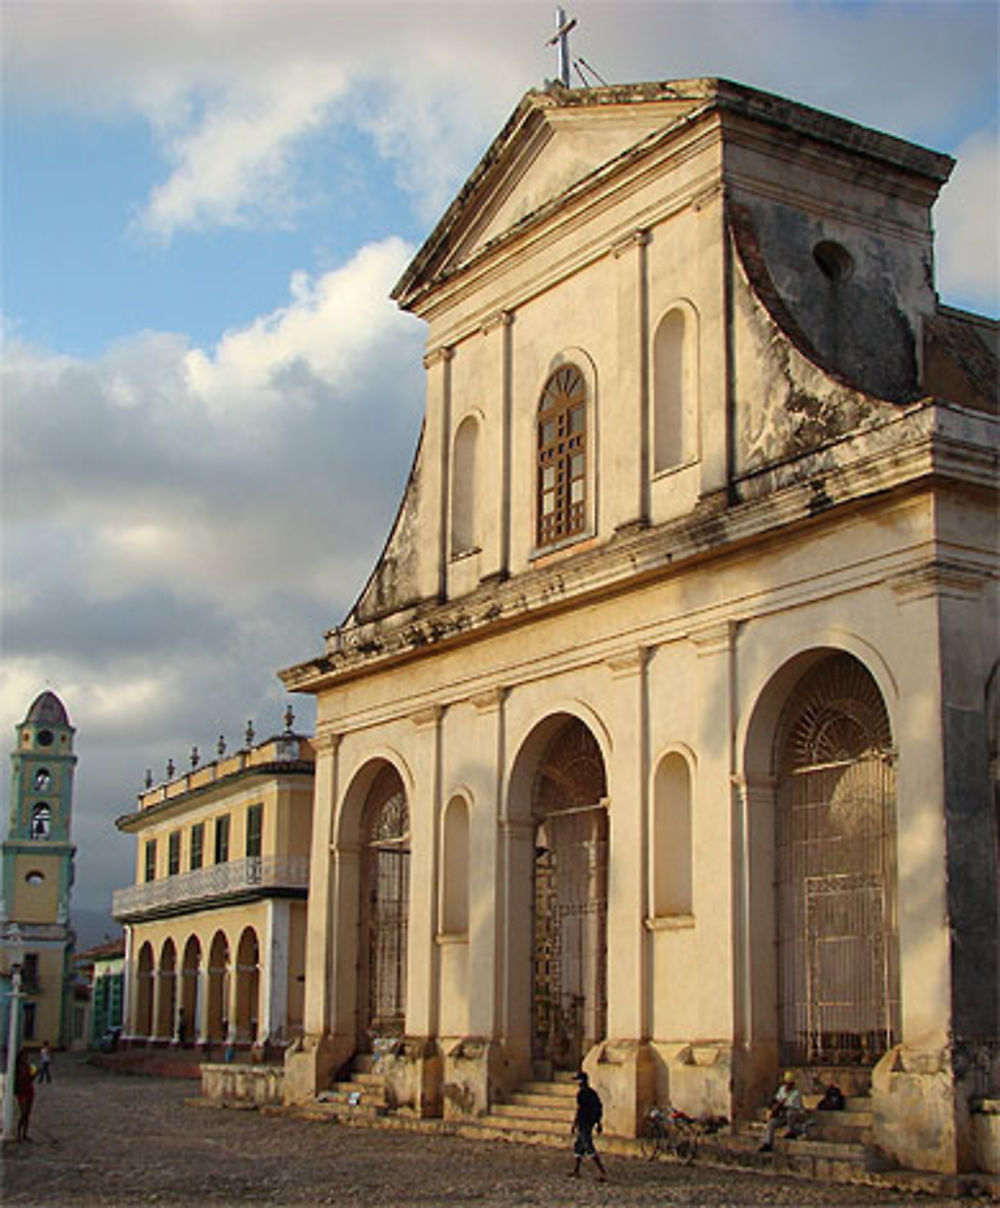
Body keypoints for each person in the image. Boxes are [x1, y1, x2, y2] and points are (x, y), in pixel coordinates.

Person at [570, 1070, 608, 1181]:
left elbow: (580, 1110)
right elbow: (598, 1108)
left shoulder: (582, 1094)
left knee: (588, 1146)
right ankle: (576, 1170)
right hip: (590, 1122)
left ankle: (602, 1171)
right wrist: (598, 1122)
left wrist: (575, 1123)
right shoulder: (592, 1093)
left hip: (584, 1123)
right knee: (578, 1146)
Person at [759, 1070, 806, 1151]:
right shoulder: (782, 1090)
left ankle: (791, 1131)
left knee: (790, 1113)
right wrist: (774, 1109)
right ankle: (768, 1143)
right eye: (786, 1083)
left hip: (793, 1116)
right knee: (771, 1123)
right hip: (782, 1115)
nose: (788, 1085)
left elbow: (793, 1107)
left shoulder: (796, 1093)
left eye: (790, 1084)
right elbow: (776, 1100)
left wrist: (781, 1105)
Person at [14, 1048, 36, 1141]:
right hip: (21, 1091)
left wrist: (35, 1074)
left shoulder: (28, 1066)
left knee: (27, 1114)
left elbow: (30, 1079)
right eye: (24, 1056)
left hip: (29, 1090)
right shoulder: (16, 1067)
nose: (26, 1057)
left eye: (27, 1056)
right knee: (23, 1112)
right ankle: (18, 1133)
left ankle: (25, 1134)